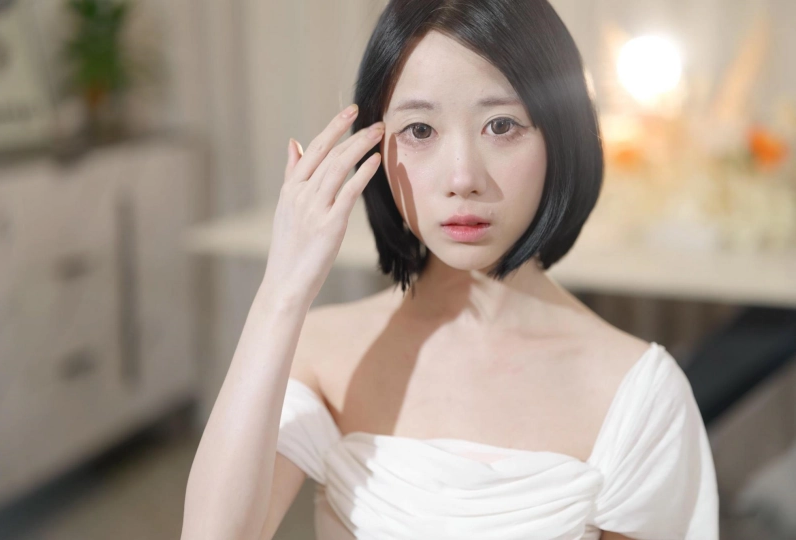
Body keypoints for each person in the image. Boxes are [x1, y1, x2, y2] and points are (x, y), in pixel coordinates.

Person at [181, 1, 719, 539]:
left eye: (501, 125)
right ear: (371, 145)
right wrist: (282, 291)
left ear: (563, 135)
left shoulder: (633, 393)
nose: (462, 177)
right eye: (419, 130)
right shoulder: (322, 353)